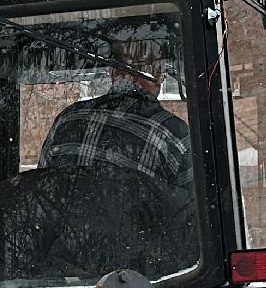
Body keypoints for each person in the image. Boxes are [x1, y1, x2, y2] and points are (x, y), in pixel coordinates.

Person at [37, 39, 193, 189]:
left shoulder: (68, 118)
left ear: (112, 73)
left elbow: (41, 185)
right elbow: (192, 201)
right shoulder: (172, 133)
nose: (161, 79)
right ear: (156, 75)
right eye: (160, 72)